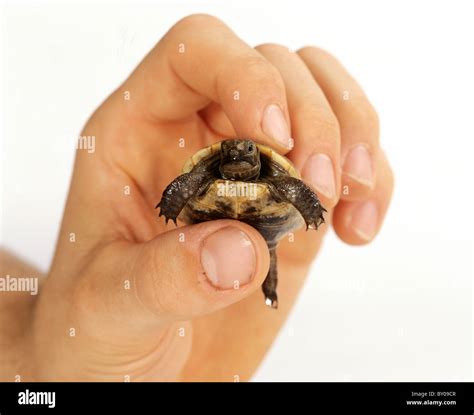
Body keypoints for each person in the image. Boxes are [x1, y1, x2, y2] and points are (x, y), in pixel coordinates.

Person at [0, 14, 393, 381]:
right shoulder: (208, 172)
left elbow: (295, 189)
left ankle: (268, 288)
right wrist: (38, 366)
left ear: (258, 161)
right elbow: (186, 184)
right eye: (233, 154)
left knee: (267, 255)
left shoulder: (276, 180)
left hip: (267, 229)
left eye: (247, 154)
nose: (239, 156)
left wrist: (311, 206)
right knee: (260, 251)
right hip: (209, 224)